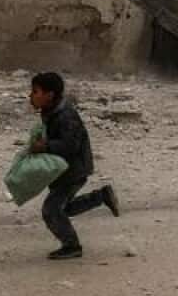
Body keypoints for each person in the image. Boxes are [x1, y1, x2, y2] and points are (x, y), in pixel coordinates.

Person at [28, 72, 119, 260]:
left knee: (51, 210)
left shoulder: (65, 115)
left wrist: (46, 146)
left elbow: (71, 145)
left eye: (35, 92)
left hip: (74, 170)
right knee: (64, 208)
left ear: (49, 95)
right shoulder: (50, 111)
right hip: (63, 170)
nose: (31, 95)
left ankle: (72, 246)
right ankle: (101, 197)